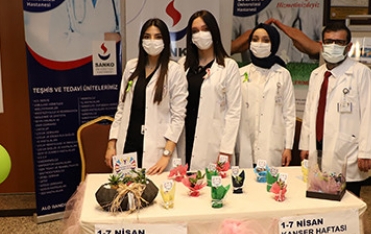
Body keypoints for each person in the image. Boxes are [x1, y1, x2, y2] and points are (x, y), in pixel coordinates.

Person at [299, 21, 371, 197]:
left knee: (347, 201)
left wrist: (366, 151)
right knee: (318, 196)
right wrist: (305, 143)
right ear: (321, 45)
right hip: (318, 146)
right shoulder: (317, 74)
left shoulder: (361, 73)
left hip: (347, 150)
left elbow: (369, 115)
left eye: (339, 42)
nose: (333, 46)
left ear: (348, 47)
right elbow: (310, 111)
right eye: (329, 42)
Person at [105, 18, 187, 174]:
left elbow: (178, 118)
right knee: (126, 187)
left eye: (158, 37)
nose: (152, 41)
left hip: (156, 150)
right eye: (147, 36)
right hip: (128, 144)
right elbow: (121, 108)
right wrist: (111, 144)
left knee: (153, 188)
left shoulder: (174, 71)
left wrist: (166, 155)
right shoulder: (131, 67)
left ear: (165, 41)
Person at [181, 10, 242, 171]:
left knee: (209, 183)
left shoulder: (228, 67)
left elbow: (234, 111)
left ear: (214, 31)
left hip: (213, 142)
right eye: (195, 31)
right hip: (184, 137)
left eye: (205, 29)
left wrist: (226, 150)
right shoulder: (182, 65)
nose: (200, 34)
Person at [236, 23, 296, 168]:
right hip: (244, 141)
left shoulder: (283, 74)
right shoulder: (240, 73)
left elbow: (289, 114)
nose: (259, 44)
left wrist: (288, 147)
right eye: (255, 39)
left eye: (266, 40)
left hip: (272, 144)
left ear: (273, 44)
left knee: (269, 180)